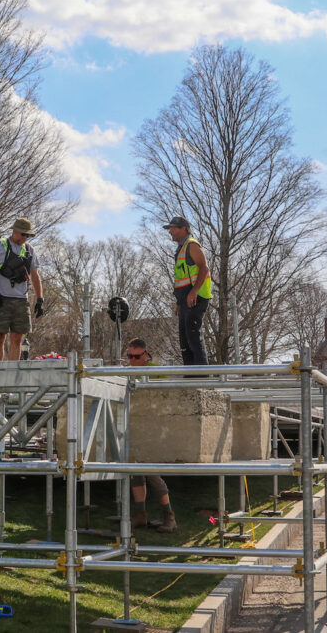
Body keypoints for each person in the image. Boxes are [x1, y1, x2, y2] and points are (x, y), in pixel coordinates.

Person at [124, 338, 176, 532]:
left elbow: (167, 397)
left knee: (153, 474)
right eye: (129, 356)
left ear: (145, 355)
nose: (132, 360)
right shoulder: (127, 372)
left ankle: (169, 516)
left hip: (154, 429)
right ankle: (140, 515)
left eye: (136, 356)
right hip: (135, 428)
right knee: (135, 474)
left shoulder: (157, 371)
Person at [0, 217, 44, 361]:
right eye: (23, 234)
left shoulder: (29, 249)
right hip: (1, 298)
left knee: (17, 337)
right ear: (15, 231)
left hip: (21, 300)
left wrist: (40, 298)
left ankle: (12, 372)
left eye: (28, 235)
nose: (25, 237)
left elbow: (35, 275)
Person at [164, 216, 212, 366]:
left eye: (173, 228)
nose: (170, 232)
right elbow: (181, 280)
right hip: (186, 300)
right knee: (185, 340)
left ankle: (202, 378)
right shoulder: (181, 249)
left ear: (183, 229)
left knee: (194, 338)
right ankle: (191, 377)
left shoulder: (191, 245)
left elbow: (204, 268)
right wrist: (179, 302)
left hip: (196, 297)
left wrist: (194, 292)